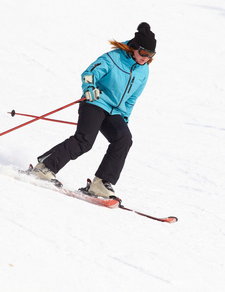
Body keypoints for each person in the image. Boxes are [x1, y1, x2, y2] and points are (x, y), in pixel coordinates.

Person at [30, 22, 156, 198]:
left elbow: (132, 99)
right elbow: (89, 73)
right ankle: (44, 168)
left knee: (124, 138)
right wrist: (89, 89)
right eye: (143, 53)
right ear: (134, 47)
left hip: (115, 111)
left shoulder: (144, 71)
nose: (146, 58)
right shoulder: (114, 58)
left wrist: (124, 118)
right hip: (95, 102)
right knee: (85, 141)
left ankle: (101, 183)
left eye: (151, 55)